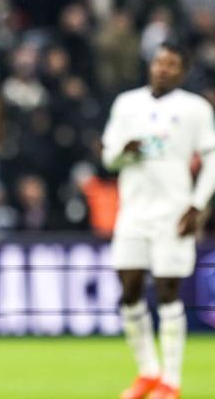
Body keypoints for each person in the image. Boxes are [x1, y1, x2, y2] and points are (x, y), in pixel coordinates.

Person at [101, 42, 215, 399]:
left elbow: (213, 157)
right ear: (150, 65)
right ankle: (148, 372)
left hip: (173, 212)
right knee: (129, 291)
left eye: (172, 64)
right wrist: (124, 153)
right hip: (133, 211)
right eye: (159, 62)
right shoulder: (126, 104)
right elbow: (108, 158)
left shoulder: (194, 108)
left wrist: (197, 205)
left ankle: (171, 381)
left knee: (168, 291)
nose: (163, 69)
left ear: (183, 71)